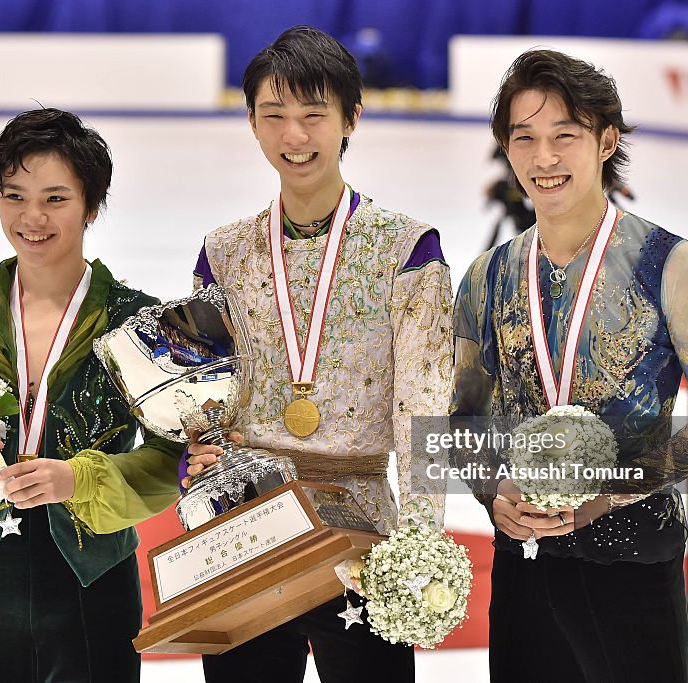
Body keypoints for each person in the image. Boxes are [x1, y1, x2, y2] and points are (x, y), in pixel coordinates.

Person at [451, 50, 688, 681]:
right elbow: (463, 420)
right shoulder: (488, 276)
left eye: (566, 135)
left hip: (634, 558)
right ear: (505, 149)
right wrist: (493, 494)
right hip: (526, 556)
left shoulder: (673, 265)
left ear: (607, 141)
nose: (545, 158)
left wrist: (618, 486)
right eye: (524, 138)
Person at [183, 25, 451, 683]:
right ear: (251, 121)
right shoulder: (223, 253)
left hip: (364, 531)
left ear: (351, 118)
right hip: (248, 532)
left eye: (313, 115)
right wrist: (197, 453)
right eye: (274, 115)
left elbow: (424, 409)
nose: (294, 136)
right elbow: (203, 400)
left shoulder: (407, 250)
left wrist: (421, 543)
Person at [0, 108, 182, 682]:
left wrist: (78, 478)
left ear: (91, 206)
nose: (32, 217)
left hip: (92, 574)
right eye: (14, 195)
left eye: (55, 198)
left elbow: (171, 455)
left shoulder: (136, 320)